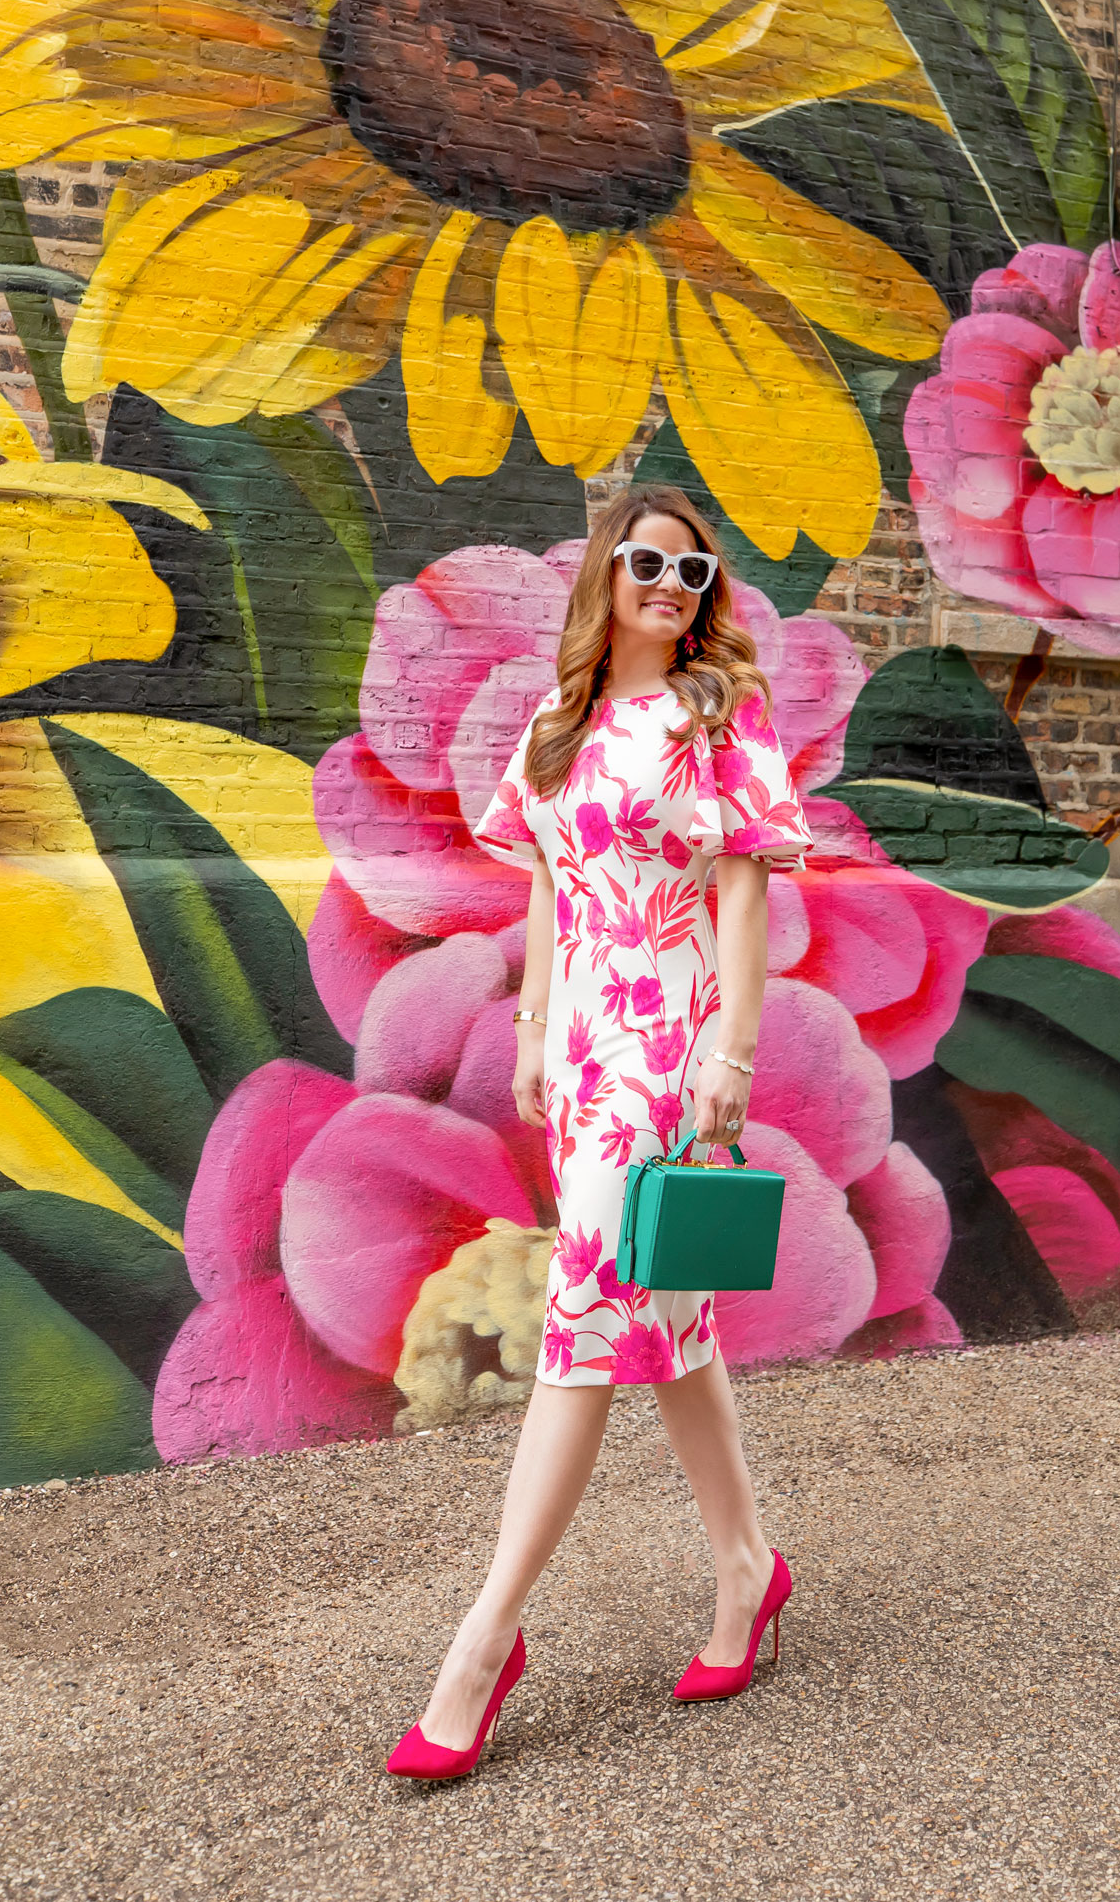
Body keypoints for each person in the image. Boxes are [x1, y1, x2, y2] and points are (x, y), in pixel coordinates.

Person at [386, 484, 813, 1781]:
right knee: (665, 1316)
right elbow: (550, 887)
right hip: (581, 1059)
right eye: (647, 560)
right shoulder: (561, 724)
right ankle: (748, 1565)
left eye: (693, 568)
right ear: (605, 575)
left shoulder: (711, 718)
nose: (670, 582)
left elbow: (740, 893)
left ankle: (482, 1641)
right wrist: (526, 1034)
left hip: (670, 1055)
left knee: (583, 1318)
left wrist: (731, 1050)